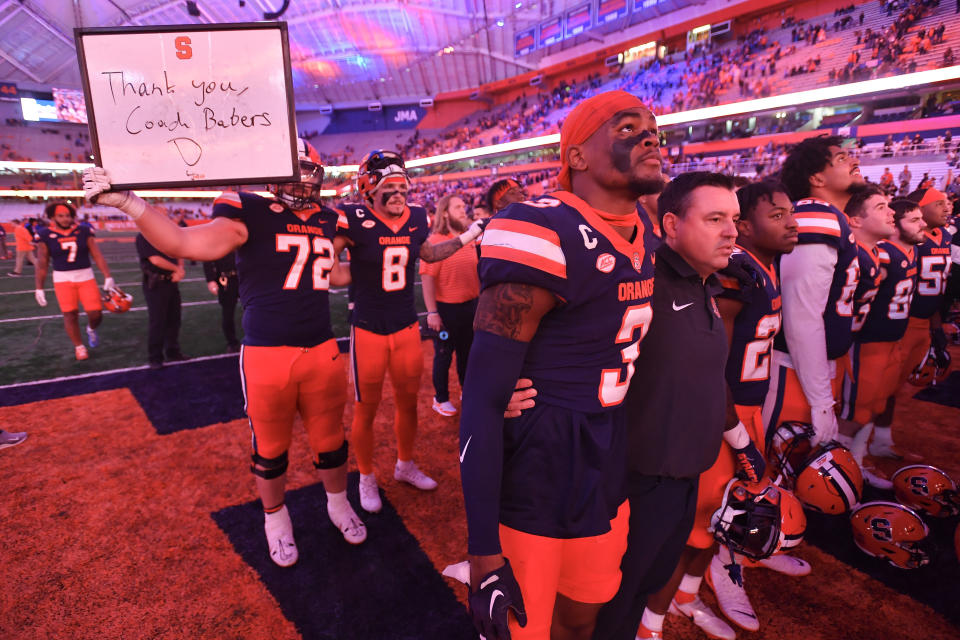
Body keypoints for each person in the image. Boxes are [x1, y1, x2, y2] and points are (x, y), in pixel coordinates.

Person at [82, 138, 367, 567]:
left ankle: (339, 504)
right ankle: (275, 519)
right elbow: (182, 243)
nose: (301, 178)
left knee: (331, 439)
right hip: (268, 354)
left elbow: (330, 272)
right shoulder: (247, 209)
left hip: (323, 347)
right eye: (292, 169)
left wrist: (377, 266)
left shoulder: (331, 219)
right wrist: (130, 203)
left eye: (307, 169)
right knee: (270, 448)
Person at [458, 91, 661, 640]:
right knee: (525, 626)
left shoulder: (647, 229)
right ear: (576, 156)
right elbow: (481, 398)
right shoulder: (541, 228)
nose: (650, 136)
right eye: (626, 127)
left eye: (653, 127)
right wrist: (481, 553)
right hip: (541, 462)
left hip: (608, 453)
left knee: (583, 614)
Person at [639, 181, 800, 640]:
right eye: (719, 219)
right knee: (699, 523)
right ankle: (649, 623)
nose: (792, 223)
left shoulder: (755, 266)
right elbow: (714, 371)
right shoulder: (727, 275)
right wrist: (739, 438)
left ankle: (686, 598)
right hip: (720, 416)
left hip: (744, 411)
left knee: (722, 522)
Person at [596, 172, 738, 640]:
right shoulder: (643, 279)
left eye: (734, 219)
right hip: (637, 481)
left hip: (684, 475)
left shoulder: (704, 282)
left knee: (647, 585)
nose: (731, 231)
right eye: (715, 218)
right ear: (672, 224)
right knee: (613, 599)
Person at [336, 150, 485, 513]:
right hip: (369, 328)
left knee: (408, 403)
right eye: (390, 188)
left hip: (405, 326)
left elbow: (430, 255)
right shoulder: (352, 217)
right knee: (365, 408)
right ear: (369, 189)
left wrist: (469, 236)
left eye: (402, 187)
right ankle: (367, 476)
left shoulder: (417, 217)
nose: (399, 194)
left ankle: (404, 465)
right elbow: (329, 261)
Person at [763, 135, 864, 447]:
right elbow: (801, 314)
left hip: (812, 366)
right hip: (794, 369)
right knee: (786, 470)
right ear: (817, 178)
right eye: (841, 158)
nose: (854, 160)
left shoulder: (831, 216)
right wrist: (820, 400)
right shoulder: (815, 214)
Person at [843, 198, 926, 472]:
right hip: (867, 343)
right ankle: (836, 474)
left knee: (876, 405)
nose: (922, 224)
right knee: (855, 411)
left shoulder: (910, 251)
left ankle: (856, 465)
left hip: (891, 341)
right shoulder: (884, 254)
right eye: (913, 220)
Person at [876, 186, 953, 456]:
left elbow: (938, 288)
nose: (947, 207)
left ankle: (881, 441)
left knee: (894, 388)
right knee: (880, 387)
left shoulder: (944, 235)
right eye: (939, 203)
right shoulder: (903, 242)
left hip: (923, 322)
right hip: (902, 321)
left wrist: (935, 326)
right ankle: (867, 443)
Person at [420, 193, 480, 416]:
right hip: (447, 310)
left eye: (464, 206)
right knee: (444, 355)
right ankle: (441, 398)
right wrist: (432, 312)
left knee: (467, 353)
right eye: (457, 207)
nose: (464, 210)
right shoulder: (435, 241)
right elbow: (426, 278)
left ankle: (466, 389)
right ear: (445, 212)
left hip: (470, 307)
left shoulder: (469, 236)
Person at [33, 202, 117, 361]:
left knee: (95, 313)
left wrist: (108, 275)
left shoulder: (84, 231)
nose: (65, 219)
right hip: (62, 279)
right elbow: (42, 263)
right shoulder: (44, 234)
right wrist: (39, 288)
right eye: (61, 216)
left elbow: (96, 254)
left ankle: (91, 329)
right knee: (70, 314)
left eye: (68, 215)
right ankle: (79, 346)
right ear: (52, 217)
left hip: (85, 276)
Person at [136, 229, 186, 368]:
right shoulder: (145, 235)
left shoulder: (169, 233)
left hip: (171, 282)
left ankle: (173, 352)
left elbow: (179, 250)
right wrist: (177, 269)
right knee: (158, 321)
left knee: (174, 318)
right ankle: (155, 357)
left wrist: (180, 268)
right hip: (156, 284)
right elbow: (155, 260)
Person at [203, 250, 241, 353]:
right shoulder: (217, 237)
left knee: (253, 307)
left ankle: (255, 337)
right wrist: (210, 279)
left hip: (242, 276)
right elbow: (208, 257)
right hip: (226, 279)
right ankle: (232, 342)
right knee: (228, 312)